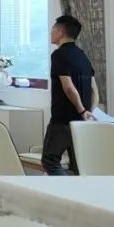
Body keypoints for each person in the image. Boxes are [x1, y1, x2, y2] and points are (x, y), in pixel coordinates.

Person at [43, 14, 98, 175]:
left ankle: (64, 188)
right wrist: (88, 112)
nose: (51, 33)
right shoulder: (82, 56)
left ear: (60, 32)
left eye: (53, 29)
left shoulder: (59, 55)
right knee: (78, 164)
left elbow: (68, 87)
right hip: (82, 120)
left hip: (63, 119)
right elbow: (94, 90)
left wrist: (81, 109)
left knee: (50, 161)